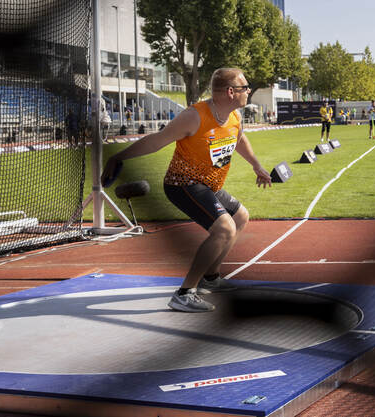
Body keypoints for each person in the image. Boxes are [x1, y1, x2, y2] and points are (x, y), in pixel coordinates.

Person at [102, 68, 272, 312]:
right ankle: (184, 293)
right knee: (225, 228)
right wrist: (118, 157)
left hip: (209, 185)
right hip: (182, 183)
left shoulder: (234, 116)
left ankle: (211, 278)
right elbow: (157, 140)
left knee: (240, 216)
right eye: (245, 87)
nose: (249, 90)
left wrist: (256, 165)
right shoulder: (195, 116)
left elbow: (239, 138)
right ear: (230, 92)